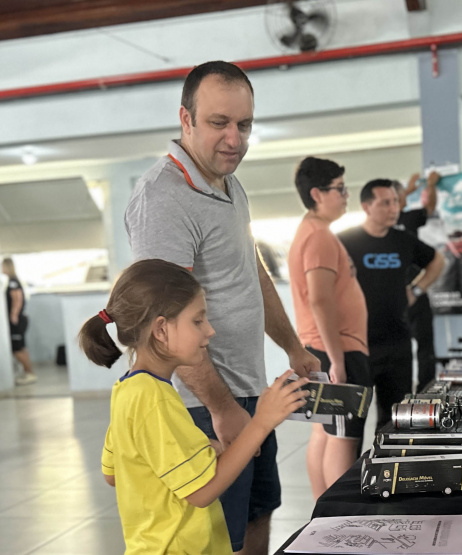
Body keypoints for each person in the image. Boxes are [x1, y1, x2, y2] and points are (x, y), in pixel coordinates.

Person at [124, 61, 320, 554]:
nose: (235, 139)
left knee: (258, 510)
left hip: (249, 390)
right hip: (202, 406)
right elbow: (162, 319)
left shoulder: (232, 186)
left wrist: (293, 347)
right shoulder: (164, 198)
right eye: (219, 123)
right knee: (217, 534)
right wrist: (221, 406)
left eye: (245, 124)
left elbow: (251, 272)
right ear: (185, 119)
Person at [79, 258, 307, 554]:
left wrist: (205, 450)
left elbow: (114, 473)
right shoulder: (154, 398)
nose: (209, 331)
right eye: (198, 321)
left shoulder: (128, 388)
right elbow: (201, 492)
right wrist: (261, 423)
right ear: (161, 330)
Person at [288, 157, 372, 499]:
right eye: (339, 189)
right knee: (343, 437)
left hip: (327, 347)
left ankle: (323, 513)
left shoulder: (313, 232)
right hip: (337, 349)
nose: (346, 195)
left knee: (325, 433)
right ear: (317, 194)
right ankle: (339, 515)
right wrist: (337, 360)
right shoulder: (319, 236)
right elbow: (319, 300)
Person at [338, 180, 444, 427]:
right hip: (358, 345)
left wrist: (416, 289)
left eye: (395, 201)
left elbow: (437, 261)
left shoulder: (403, 240)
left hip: (397, 343)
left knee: (394, 421)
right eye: (385, 203)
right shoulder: (344, 242)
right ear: (366, 207)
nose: (393, 208)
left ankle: (386, 467)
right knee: (352, 424)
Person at [392, 171, 440, 390]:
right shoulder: (380, 226)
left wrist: (415, 189)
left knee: (424, 348)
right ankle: (409, 393)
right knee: (403, 349)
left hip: (414, 291)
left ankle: (425, 391)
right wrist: (428, 185)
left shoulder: (406, 218)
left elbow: (427, 207)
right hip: (394, 297)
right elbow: (429, 206)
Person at [3, 258, 35, 386]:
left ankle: (29, 373)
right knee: (21, 347)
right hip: (18, 319)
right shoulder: (12, 281)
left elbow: (17, 299)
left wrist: (13, 315)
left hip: (16, 320)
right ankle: (28, 372)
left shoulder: (13, 282)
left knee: (16, 349)